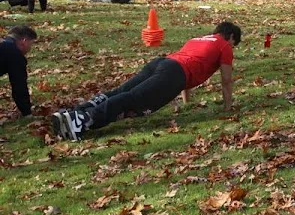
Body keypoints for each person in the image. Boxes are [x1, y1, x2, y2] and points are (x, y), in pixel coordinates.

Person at [50, 22, 241, 141]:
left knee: (121, 91)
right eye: (235, 43)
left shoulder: (198, 39)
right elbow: (226, 80)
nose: (233, 47)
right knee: (133, 99)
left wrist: (186, 102)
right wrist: (228, 107)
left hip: (162, 63)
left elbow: (189, 65)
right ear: (231, 36)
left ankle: (77, 111)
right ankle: (83, 120)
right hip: (174, 74)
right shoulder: (224, 46)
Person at [1, 26, 37, 118]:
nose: (30, 48)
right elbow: (19, 86)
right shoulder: (15, 55)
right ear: (24, 41)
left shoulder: (4, 46)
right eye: (31, 43)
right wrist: (27, 112)